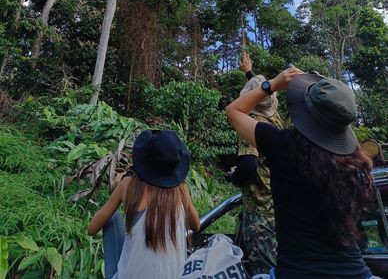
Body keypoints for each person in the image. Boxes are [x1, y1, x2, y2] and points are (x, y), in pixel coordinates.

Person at [226, 67, 378, 279]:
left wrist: (272, 84)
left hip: (295, 271)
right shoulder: (355, 164)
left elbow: (234, 111)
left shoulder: (285, 147)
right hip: (356, 272)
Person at [87, 129, 200, 279]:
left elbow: (92, 228)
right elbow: (196, 225)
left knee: (112, 216)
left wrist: (118, 187)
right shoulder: (181, 191)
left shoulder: (128, 185)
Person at [226, 51, 281, 275]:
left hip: (261, 213)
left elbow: (248, 165)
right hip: (281, 206)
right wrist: (248, 71)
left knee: (266, 270)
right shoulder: (275, 119)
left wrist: (233, 177)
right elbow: (260, 94)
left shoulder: (251, 123)